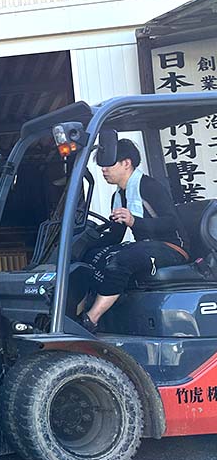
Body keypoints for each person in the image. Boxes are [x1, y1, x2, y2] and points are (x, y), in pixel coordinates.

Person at [80, 138, 187, 332]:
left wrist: (134, 222)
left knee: (122, 259)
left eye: (108, 165)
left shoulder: (149, 187)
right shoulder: (118, 196)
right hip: (145, 247)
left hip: (172, 248)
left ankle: (91, 319)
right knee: (94, 256)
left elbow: (173, 222)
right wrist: (85, 245)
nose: (103, 170)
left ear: (126, 163)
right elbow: (115, 236)